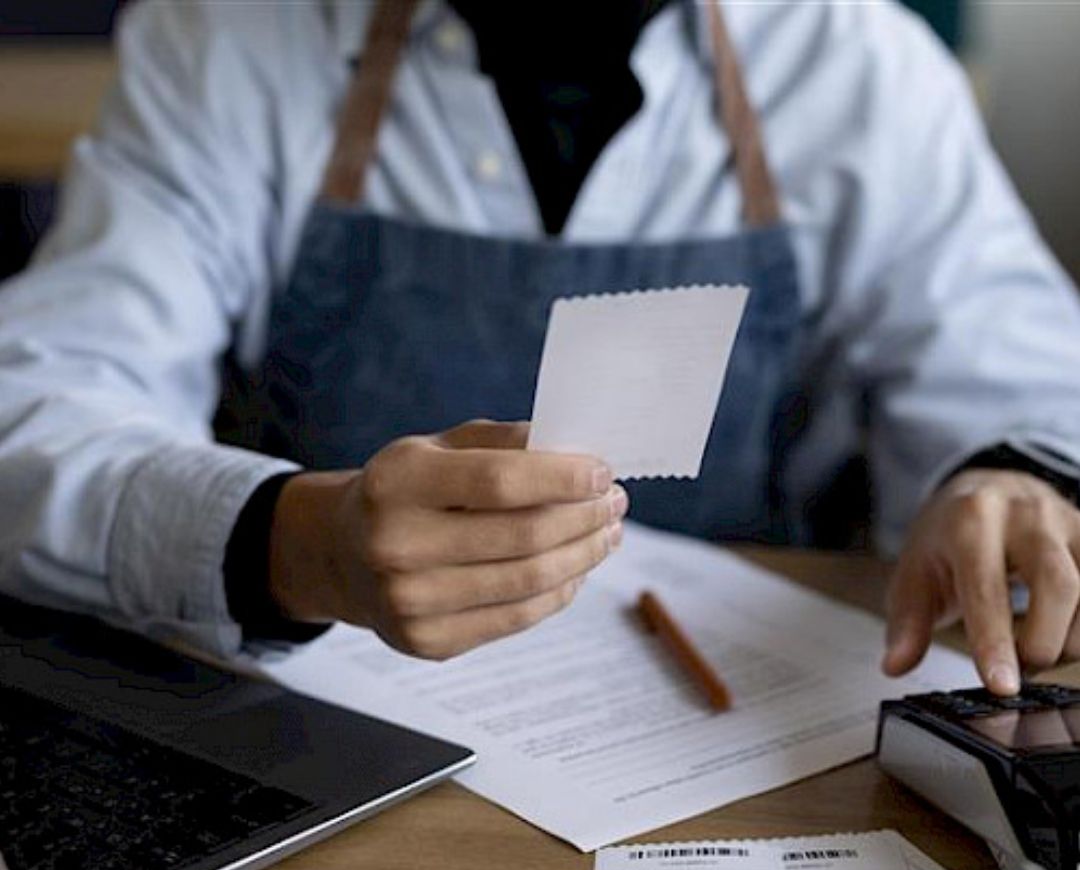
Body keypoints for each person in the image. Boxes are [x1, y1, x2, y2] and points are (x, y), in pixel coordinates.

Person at [0, 0, 1078, 699]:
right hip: (320, 738)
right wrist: (298, 546)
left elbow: (1025, 382)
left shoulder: (860, 66)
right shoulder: (226, 44)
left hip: (738, 734)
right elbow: (33, 409)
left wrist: (1009, 478)